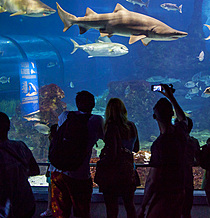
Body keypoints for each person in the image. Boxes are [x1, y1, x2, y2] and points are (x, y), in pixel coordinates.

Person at [50, 90, 104, 218]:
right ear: (93, 104)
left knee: (60, 213)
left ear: (77, 103)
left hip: (57, 171)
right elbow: (105, 138)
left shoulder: (64, 115)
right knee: (82, 211)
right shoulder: (96, 120)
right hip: (79, 173)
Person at [137, 84, 188, 218]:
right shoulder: (181, 132)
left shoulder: (159, 144)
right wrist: (171, 97)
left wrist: (143, 206)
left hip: (164, 195)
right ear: (172, 114)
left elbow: (152, 179)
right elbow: (183, 119)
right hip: (181, 191)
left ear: (155, 117)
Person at [100, 98, 140, 218]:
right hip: (128, 171)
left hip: (112, 174)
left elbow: (112, 153)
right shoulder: (132, 125)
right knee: (130, 205)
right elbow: (136, 148)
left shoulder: (110, 128)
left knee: (111, 208)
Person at [0, 112, 40, 218]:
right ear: (8, 127)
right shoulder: (20, 146)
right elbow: (36, 170)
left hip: (4, 208)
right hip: (25, 202)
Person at [178, 117, 200, 218]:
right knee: (187, 209)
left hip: (174, 178)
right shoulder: (194, 141)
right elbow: (198, 160)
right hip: (188, 177)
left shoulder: (172, 142)